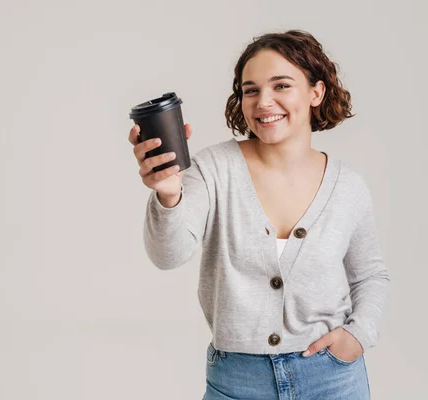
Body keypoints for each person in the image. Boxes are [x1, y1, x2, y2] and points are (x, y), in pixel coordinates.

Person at [128, 29, 389, 400]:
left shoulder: (348, 186)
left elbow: (371, 275)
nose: (264, 101)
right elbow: (168, 256)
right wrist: (169, 194)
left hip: (332, 379)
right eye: (251, 90)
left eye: (281, 85)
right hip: (237, 380)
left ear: (316, 92)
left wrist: (359, 335)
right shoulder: (213, 168)